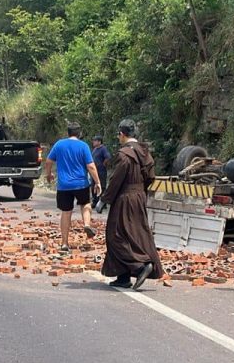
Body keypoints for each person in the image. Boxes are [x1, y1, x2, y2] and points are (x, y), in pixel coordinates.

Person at [99, 119, 164, 290]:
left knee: (115, 235)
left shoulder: (125, 154)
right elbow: (151, 177)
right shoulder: (145, 153)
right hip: (140, 197)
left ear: (122, 134)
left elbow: (116, 180)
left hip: (124, 198)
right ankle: (123, 277)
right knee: (136, 234)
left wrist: (104, 200)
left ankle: (140, 266)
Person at [45, 122, 102, 251]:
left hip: (64, 185)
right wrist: (97, 182)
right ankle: (86, 224)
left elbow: (48, 161)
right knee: (85, 204)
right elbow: (91, 166)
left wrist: (48, 175)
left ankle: (64, 243)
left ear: (68, 132)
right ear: (79, 133)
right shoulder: (83, 146)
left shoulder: (59, 144)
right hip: (80, 183)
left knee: (66, 213)